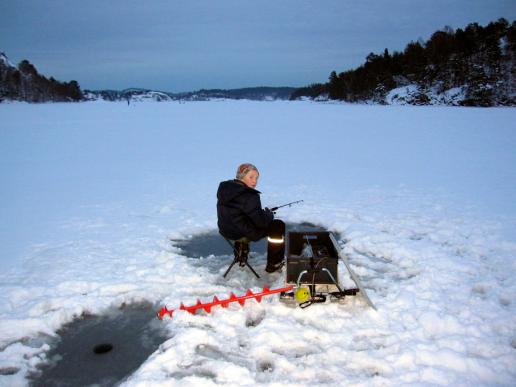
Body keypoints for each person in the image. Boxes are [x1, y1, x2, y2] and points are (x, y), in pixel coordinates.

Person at [217, 163, 285, 273]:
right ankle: (274, 263)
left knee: (242, 220)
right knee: (278, 225)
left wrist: (259, 213)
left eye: (256, 178)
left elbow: (239, 210)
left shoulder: (225, 189)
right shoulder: (250, 196)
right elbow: (261, 222)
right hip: (242, 233)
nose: (255, 181)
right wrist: (269, 214)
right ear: (242, 176)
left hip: (226, 230)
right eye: (251, 177)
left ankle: (240, 254)